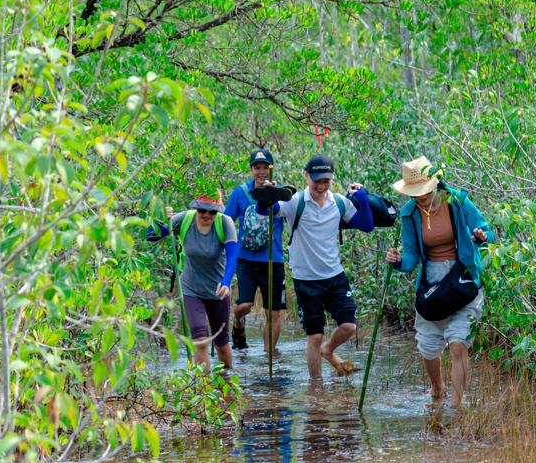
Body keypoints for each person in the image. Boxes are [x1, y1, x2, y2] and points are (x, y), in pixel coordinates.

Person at [384, 156, 492, 409]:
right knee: (429, 347)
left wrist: (480, 236)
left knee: (457, 343)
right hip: (431, 281)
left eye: (423, 191)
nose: (419, 197)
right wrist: (398, 260)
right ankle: (437, 390)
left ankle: (455, 407)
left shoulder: (457, 201)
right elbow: (411, 256)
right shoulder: (409, 213)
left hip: (464, 278)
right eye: (414, 193)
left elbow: (486, 229)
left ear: (435, 183)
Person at [276, 154, 374, 378]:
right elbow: (268, 211)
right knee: (314, 336)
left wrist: (362, 198)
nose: (320, 186)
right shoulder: (295, 202)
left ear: (332, 179)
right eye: (316, 180)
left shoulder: (339, 202)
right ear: (306, 176)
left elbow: (366, 226)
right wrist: (269, 197)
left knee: (349, 326)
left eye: (326, 181)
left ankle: (328, 350)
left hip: (334, 275)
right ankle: (316, 388)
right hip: (305, 279)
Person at [146, 192, 238, 371]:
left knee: (222, 343)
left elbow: (233, 255)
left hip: (218, 290)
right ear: (195, 208)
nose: (206, 215)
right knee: (200, 341)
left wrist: (226, 282)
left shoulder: (224, 222)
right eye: (202, 210)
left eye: (212, 212)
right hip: (190, 289)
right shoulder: (184, 220)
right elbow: (150, 236)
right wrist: (160, 217)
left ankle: (226, 382)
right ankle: (204, 390)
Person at [224, 149, 287, 353]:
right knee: (245, 305)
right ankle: (238, 321)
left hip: (273, 260)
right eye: (257, 167)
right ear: (251, 169)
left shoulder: (281, 194)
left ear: (271, 169)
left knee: (274, 312)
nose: (261, 172)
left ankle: (270, 356)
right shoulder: (240, 193)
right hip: (246, 259)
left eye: (265, 167)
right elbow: (227, 222)